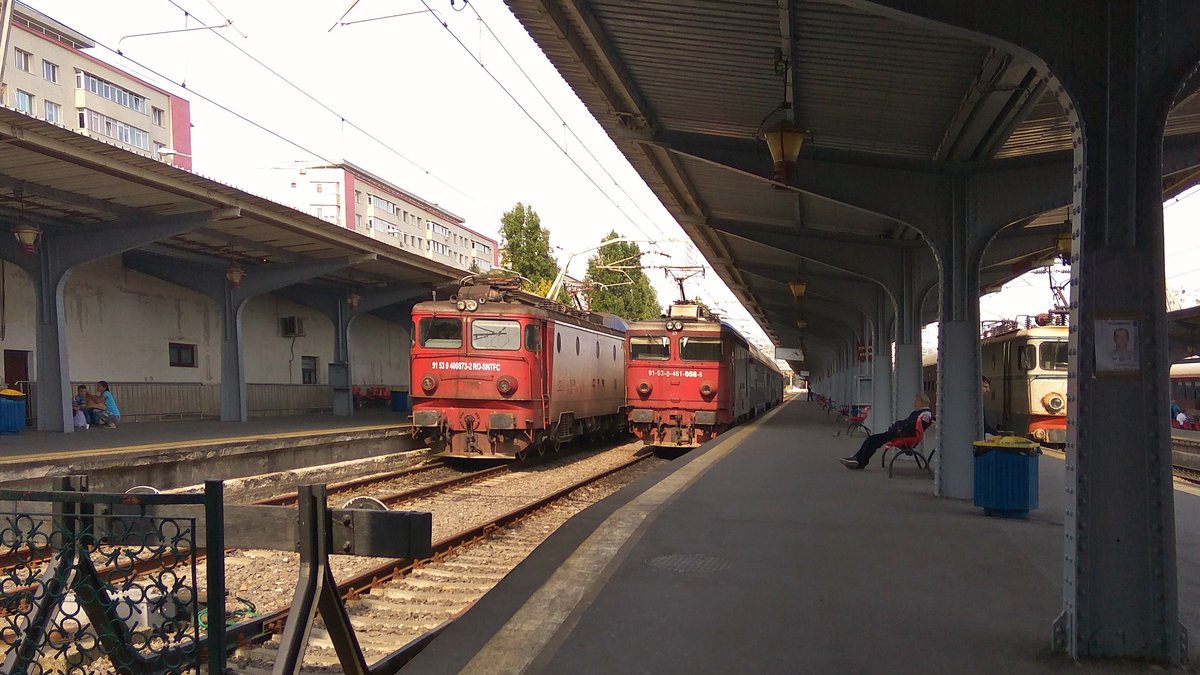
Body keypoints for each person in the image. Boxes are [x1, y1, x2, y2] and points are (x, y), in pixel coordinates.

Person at [840, 394, 934, 470]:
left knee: (872, 440)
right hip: (900, 434)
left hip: (901, 435)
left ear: (922, 402)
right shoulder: (924, 413)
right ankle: (857, 459)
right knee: (872, 439)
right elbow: (911, 425)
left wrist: (897, 427)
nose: (914, 404)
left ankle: (860, 462)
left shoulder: (925, 414)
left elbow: (911, 427)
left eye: (916, 401)